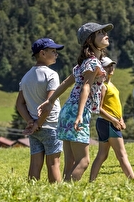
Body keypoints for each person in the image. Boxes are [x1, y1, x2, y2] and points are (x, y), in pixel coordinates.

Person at [38, 22, 112, 182]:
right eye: (100, 33)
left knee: (70, 162)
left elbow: (65, 82)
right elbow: (86, 86)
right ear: (90, 40)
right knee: (83, 161)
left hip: (67, 112)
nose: (105, 34)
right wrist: (80, 115)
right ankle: (65, 194)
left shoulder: (83, 64)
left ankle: (62, 196)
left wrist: (50, 101)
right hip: (78, 111)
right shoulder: (92, 63)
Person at [16, 38, 64, 183]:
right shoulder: (51, 75)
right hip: (50, 126)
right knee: (54, 164)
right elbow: (48, 104)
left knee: (35, 164)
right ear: (42, 53)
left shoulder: (26, 77)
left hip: (35, 130)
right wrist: (39, 123)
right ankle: (58, 196)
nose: (56, 54)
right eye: (53, 51)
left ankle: (31, 193)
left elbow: (19, 104)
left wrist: (31, 122)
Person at [89, 57, 134, 182]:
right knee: (122, 155)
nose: (111, 68)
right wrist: (114, 121)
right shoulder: (103, 86)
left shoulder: (111, 85)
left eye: (112, 66)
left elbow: (115, 105)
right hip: (108, 123)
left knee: (102, 155)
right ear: (101, 69)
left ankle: (91, 181)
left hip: (108, 122)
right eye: (107, 66)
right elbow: (99, 109)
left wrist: (121, 119)